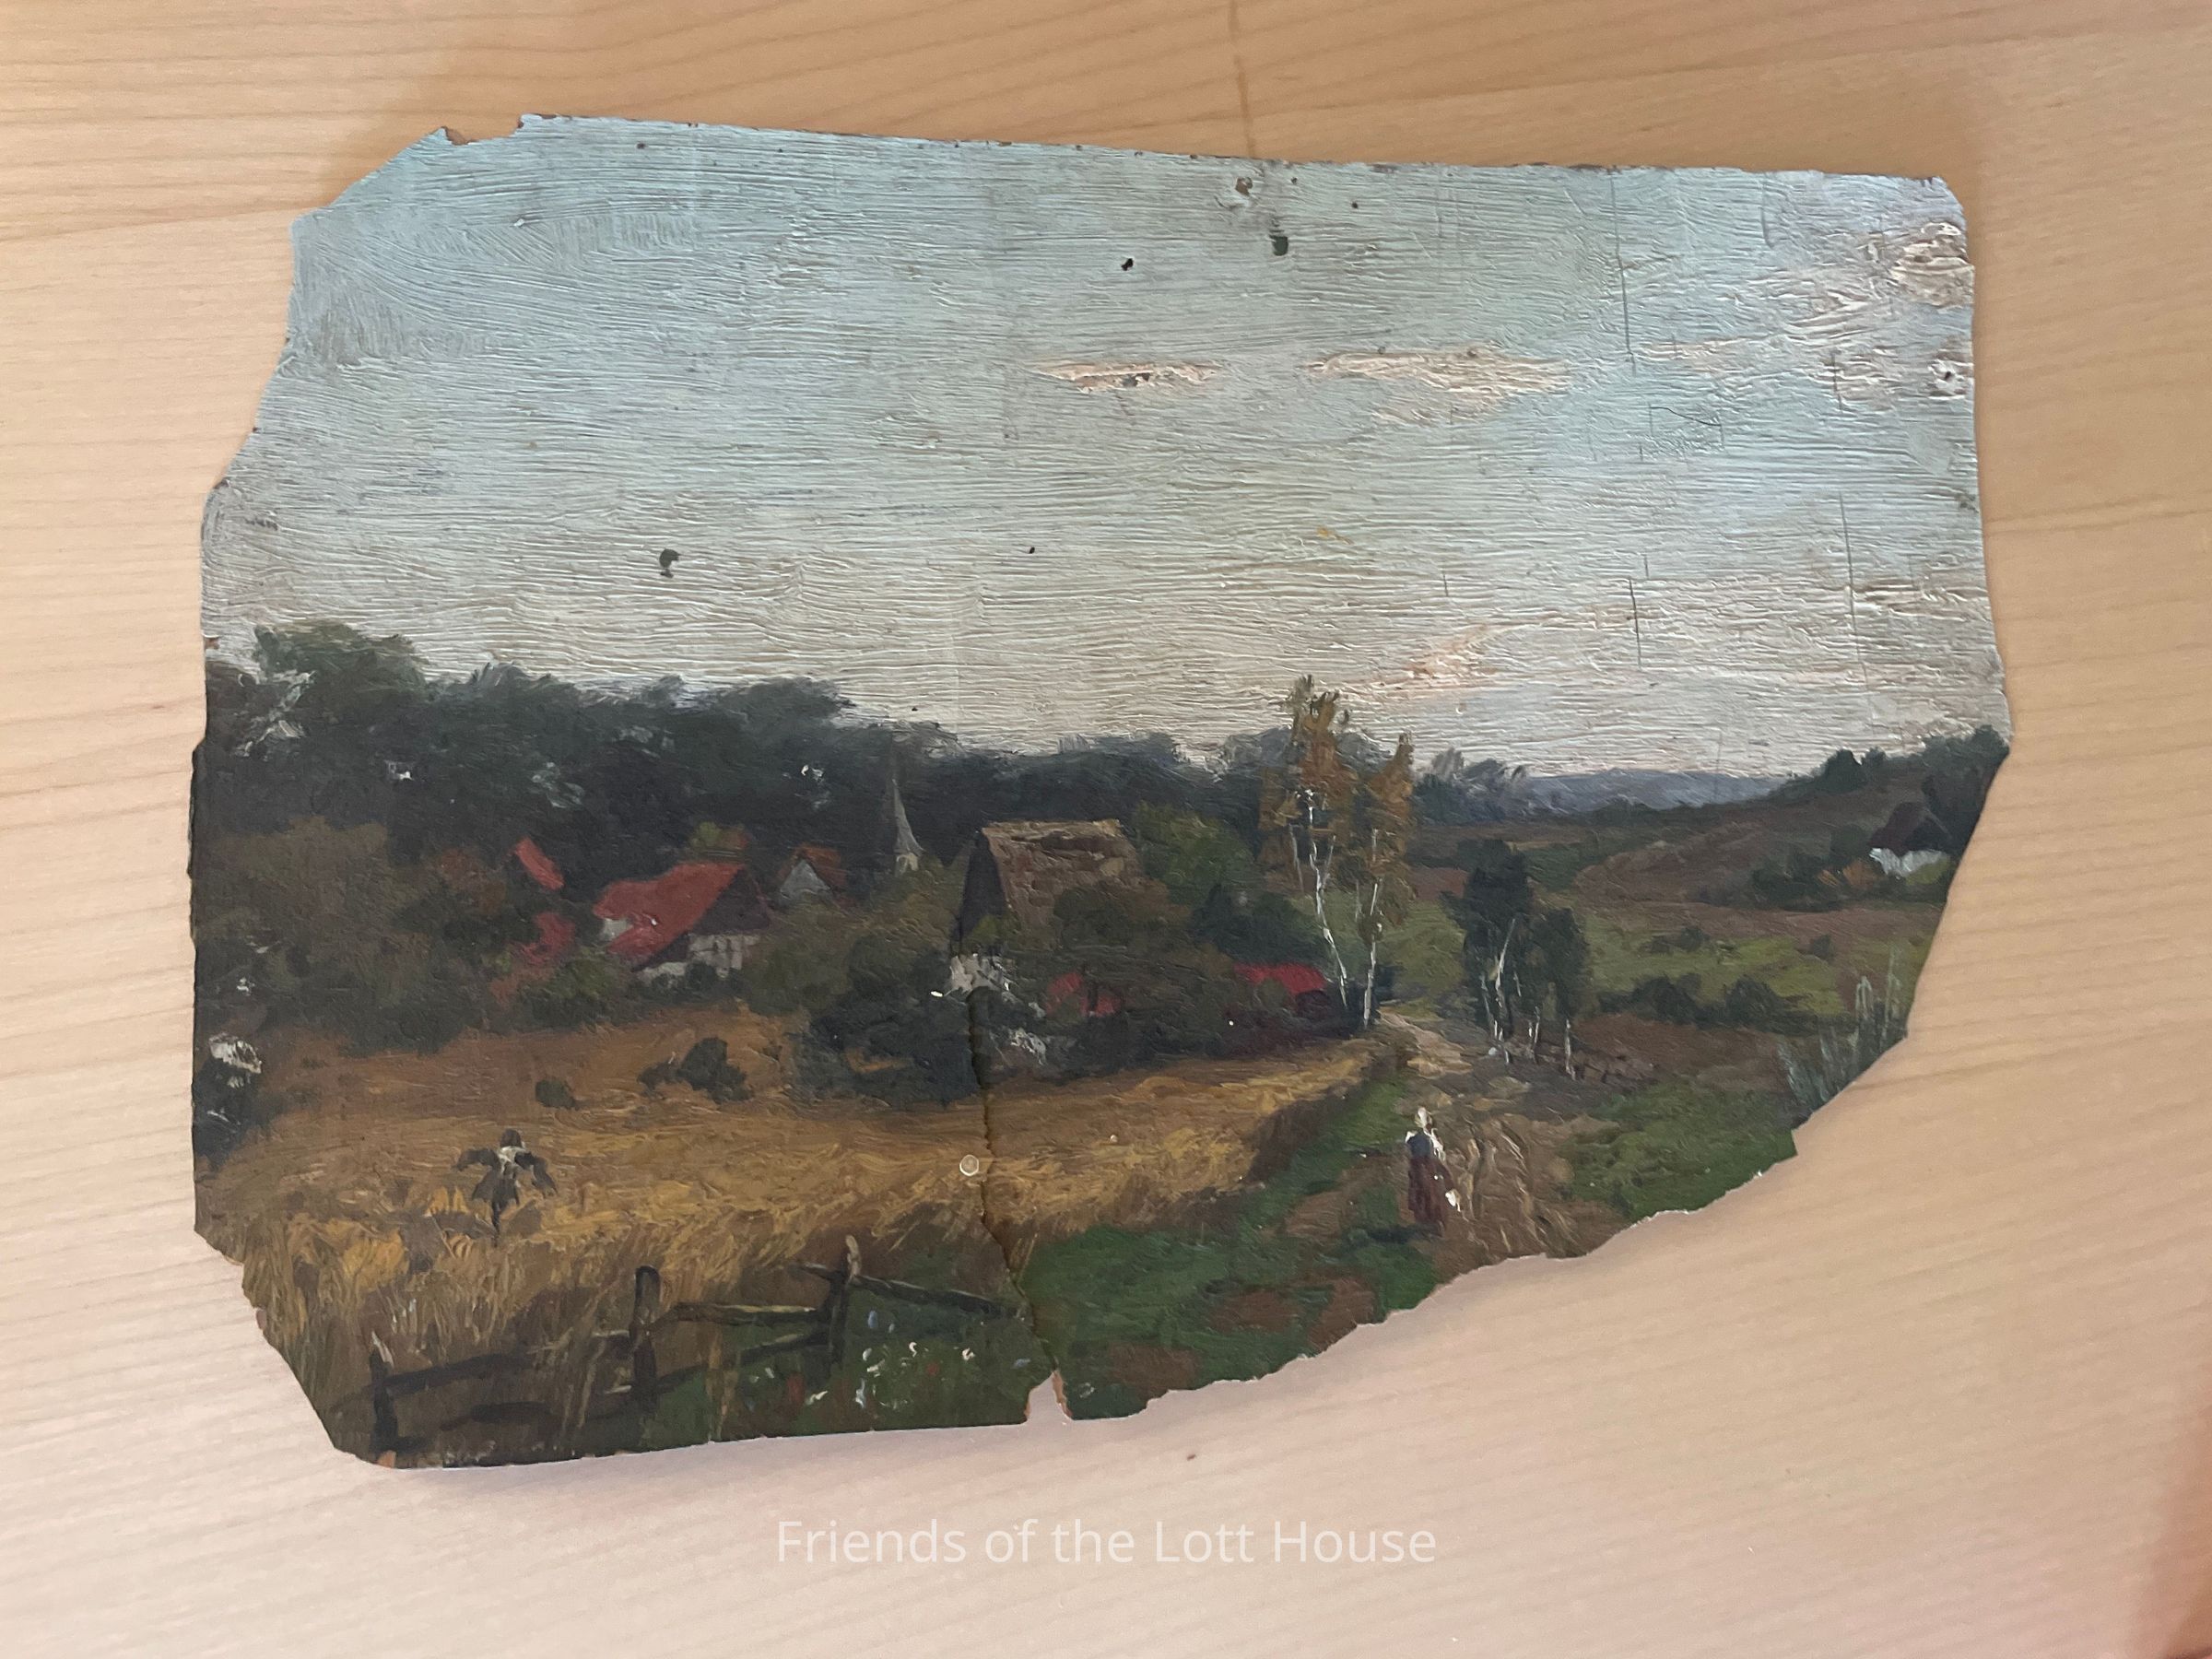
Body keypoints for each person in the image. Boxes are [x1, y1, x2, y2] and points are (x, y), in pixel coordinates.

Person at [455, 1129, 555, 1237]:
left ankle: (495, 1232)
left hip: (496, 1186)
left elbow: (476, 1155)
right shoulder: (522, 1156)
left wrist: (461, 1165)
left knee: (495, 1212)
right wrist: (546, 1185)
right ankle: (496, 1232)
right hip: (506, 1187)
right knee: (501, 1212)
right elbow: (537, 1167)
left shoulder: (497, 1156)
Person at [1405, 1108, 1451, 1230]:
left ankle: (1432, 1221)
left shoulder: (1433, 1135)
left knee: (1430, 1192)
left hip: (1427, 1165)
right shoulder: (1413, 1135)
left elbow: (1439, 1149)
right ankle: (1425, 1222)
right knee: (1422, 1191)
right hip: (1419, 1165)